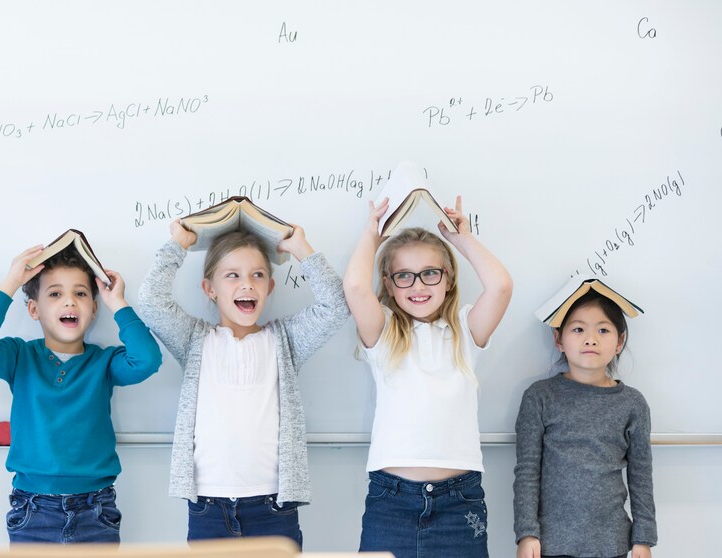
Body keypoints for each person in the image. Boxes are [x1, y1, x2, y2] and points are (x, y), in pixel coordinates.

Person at [136, 220, 349, 548]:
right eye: (232, 275)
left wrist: (301, 248)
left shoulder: (284, 340)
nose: (246, 284)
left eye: (257, 275)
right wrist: (177, 244)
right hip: (208, 507)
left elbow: (336, 306)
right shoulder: (196, 339)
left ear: (270, 287)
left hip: (273, 507)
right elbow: (151, 302)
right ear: (210, 289)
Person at [342, 196, 513, 558]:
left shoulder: (465, 331)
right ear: (389, 284)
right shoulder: (384, 332)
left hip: (459, 500)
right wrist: (372, 235)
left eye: (430, 273)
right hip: (391, 500)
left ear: (448, 279)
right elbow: (356, 288)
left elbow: (500, 287)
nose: (418, 286)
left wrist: (462, 238)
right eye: (404, 276)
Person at [0, 244, 162, 544]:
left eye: (81, 294)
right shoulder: (20, 357)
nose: (70, 302)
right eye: (55, 294)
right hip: (33, 508)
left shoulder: (104, 363)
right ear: (33, 309)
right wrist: (11, 282)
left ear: (94, 309)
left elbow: (147, 359)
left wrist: (117, 303)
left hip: (96, 508)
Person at [514, 290, 657, 558]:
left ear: (619, 341)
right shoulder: (540, 396)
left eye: (603, 330)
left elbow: (641, 478)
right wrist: (526, 533)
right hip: (551, 543)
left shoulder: (632, 403)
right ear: (558, 339)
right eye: (578, 329)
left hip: (611, 543)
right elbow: (527, 472)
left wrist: (643, 539)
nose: (590, 340)